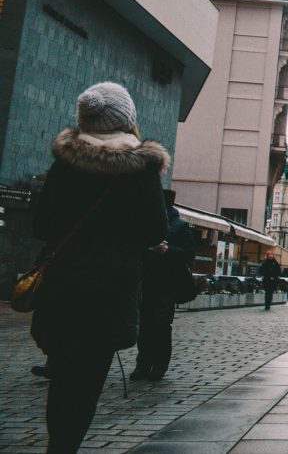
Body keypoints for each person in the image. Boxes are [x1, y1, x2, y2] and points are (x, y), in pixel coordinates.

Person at [31, 82, 169, 454]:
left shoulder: (66, 162)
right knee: (87, 379)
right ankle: (65, 447)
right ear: (127, 119)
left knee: (61, 373)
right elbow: (155, 229)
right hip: (110, 288)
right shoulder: (140, 168)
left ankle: (58, 444)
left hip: (61, 283)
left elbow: (41, 224)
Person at [131, 190, 196, 380]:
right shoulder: (146, 224)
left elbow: (189, 253)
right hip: (146, 281)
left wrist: (168, 250)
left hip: (168, 283)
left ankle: (159, 365)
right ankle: (143, 364)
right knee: (144, 325)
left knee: (161, 324)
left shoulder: (180, 226)